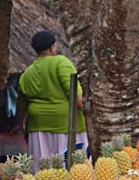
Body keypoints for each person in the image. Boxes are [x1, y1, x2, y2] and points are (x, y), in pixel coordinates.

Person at [12, 31, 88, 167]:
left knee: (42, 169)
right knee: (71, 169)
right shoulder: (61, 63)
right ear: (52, 48)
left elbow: (21, 105)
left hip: (38, 128)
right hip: (67, 126)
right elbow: (76, 96)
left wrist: (18, 125)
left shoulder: (28, 73)